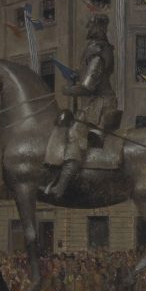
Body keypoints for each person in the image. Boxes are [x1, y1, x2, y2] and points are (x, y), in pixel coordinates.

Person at [48, 14, 118, 199]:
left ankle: (61, 187)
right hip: (94, 104)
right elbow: (85, 75)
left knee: (75, 136)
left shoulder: (98, 53)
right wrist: (75, 75)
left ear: (97, 28)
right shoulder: (95, 50)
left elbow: (88, 86)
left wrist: (67, 90)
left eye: (90, 26)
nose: (87, 29)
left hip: (101, 105)